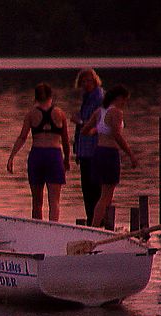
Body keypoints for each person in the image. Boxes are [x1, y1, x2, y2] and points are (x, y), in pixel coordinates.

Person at [6, 83, 70, 221]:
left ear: (35, 98)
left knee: (36, 202)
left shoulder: (31, 114)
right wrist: (66, 159)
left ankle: (37, 229)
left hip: (37, 155)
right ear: (51, 96)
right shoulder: (60, 113)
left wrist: (12, 157)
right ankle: (53, 231)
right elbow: (65, 140)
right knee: (54, 202)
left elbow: (22, 137)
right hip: (54, 155)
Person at [82, 85, 138, 228]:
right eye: (125, 100)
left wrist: (97, 131)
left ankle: (101, 224)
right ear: (119, 98)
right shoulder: (116, 112)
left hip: (98, 152)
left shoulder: (99, 112)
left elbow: (84, 130)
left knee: (104, 195)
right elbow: (116, 135)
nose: (125, 103)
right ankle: (94, 227)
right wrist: (130, 154)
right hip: (110, 154)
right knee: (106, 196)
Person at [71, 69, 104, 220]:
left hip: (95, 149)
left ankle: (98, 220)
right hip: (84, 150)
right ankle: (91, 218)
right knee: (86, 188)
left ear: (95, 81)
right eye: (83, 81)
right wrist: (77, 150)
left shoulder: (99, 98)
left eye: (89, 81)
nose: (86, 84)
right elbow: (81, 129)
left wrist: (80, 122)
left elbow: (99, 124)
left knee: (95, 188)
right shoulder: (87, 98)